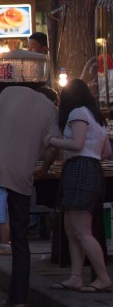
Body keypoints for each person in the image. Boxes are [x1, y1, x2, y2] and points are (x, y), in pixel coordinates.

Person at [0, 83, 59, 307]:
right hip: (23, 174)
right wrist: (44, 168)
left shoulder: (9, 94)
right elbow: (52, 149)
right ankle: (18, 298)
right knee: (20, 237)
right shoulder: (51, 110)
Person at [44, 79, 113, 293]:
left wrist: (52, 140)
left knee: (81, 230)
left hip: (79, 169)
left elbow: (77, 144)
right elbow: (107, 152)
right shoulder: (97, 117)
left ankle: (102, 277)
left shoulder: (77, 114)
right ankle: (76, 276)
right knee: (71, 227)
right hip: (91, 167)